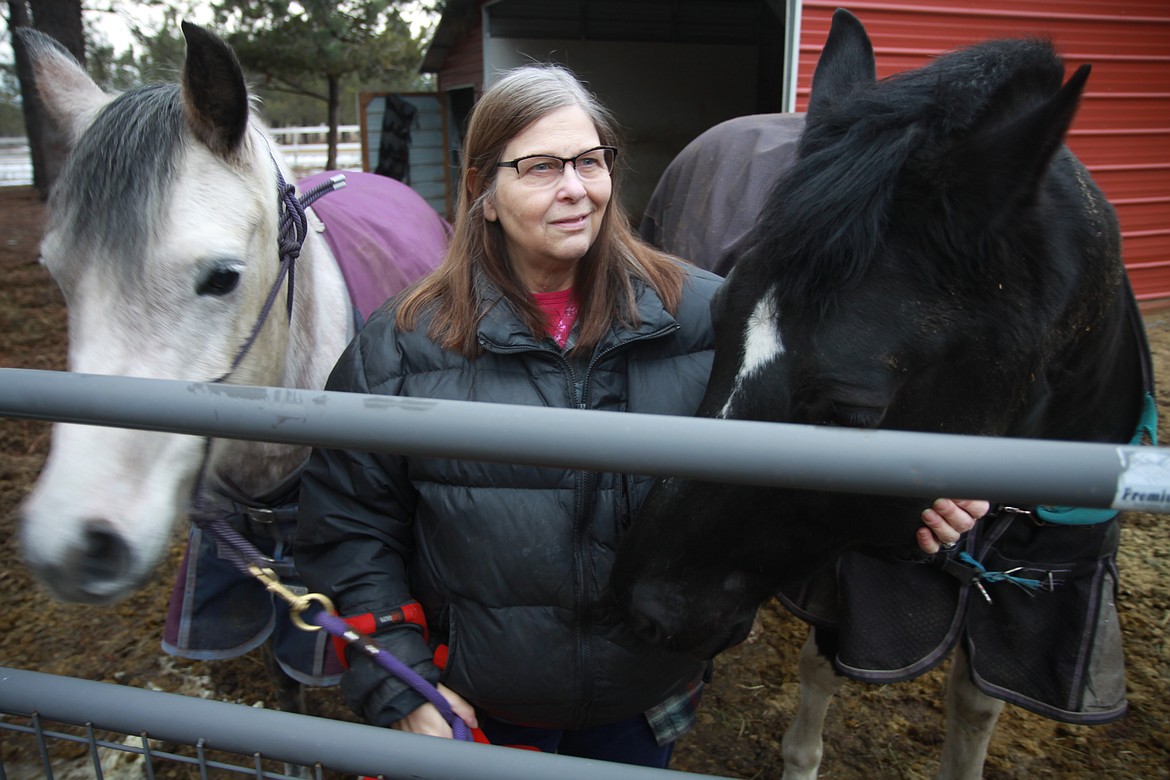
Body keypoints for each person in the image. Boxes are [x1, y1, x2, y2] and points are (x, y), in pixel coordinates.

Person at [294, 63, 985, 768]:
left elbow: (802, 475)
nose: (575, 189)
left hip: (646, 700)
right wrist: (401, 683)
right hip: (476, 708)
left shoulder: (711, 318)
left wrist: (909, 504)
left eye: (590, 161)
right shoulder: (402, 344)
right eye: (538, 168)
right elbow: (348, 526)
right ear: (484, 194)